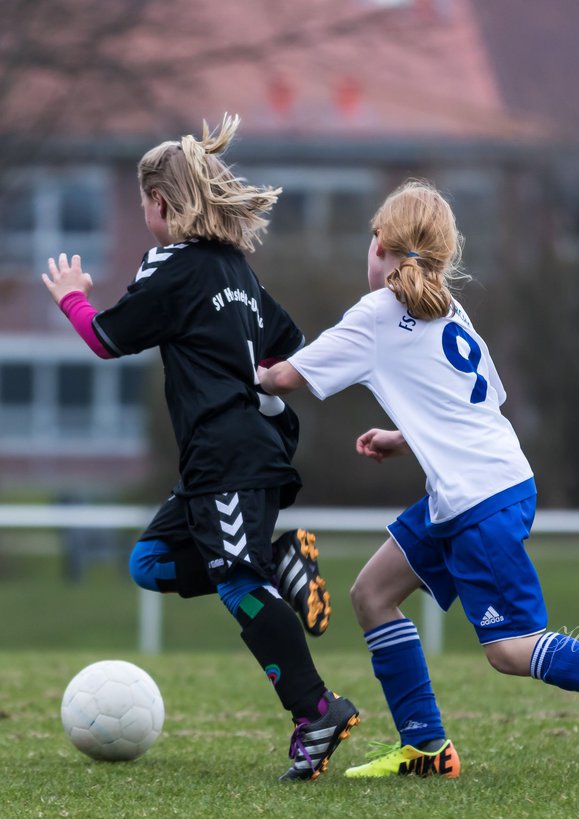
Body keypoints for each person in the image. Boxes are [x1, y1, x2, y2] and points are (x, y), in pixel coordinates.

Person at [258, 179, 579, 783]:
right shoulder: (447, 306)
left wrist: (222, 359)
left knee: (510, 650)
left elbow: (282, 378)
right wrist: (403, 437)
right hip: (474, 487)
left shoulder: (379, 314)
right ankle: (427, 749)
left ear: (381, 244)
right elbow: (480, 401)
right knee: (372, 595)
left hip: (479, 500)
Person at [41, 115, 356, 781]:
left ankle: (316, 711)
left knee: (239, 582)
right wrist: (256, 376)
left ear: (158, 204)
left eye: (143, 207)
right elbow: (288, 343)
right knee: (151, 562)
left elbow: (105, 339)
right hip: (231, 456)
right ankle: (276, 560)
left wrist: (72, 301)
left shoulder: (174, 266)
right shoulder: (234, 268)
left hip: (228, 455)